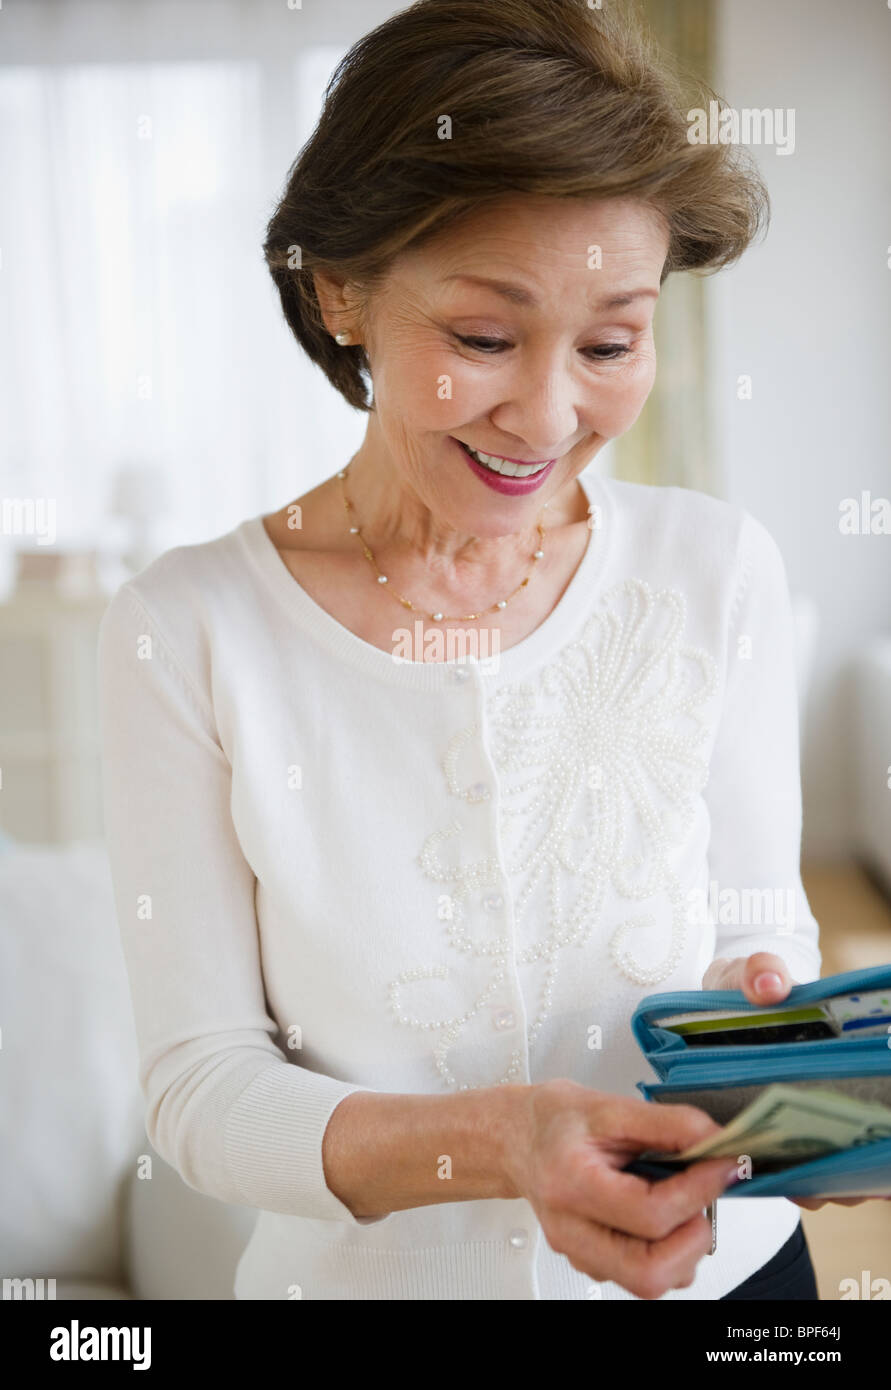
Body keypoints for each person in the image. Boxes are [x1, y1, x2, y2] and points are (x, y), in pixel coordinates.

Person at [97, 0, 848, 1301]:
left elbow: (753, 929)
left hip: (732, 1287)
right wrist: (501, 1142)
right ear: (340, 292)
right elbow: (201, 1083)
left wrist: (798, 1067)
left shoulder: (714, 569)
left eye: (612, 341)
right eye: (484, 339)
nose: (549, 414)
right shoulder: (190, 629)